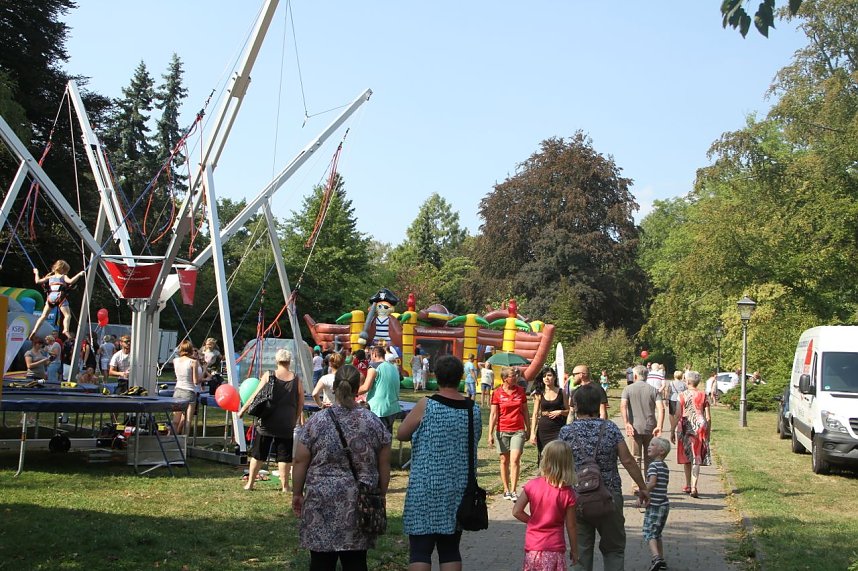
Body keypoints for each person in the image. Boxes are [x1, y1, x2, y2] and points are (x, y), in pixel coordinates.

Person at [292, 364, 391, 570]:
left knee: (320, 562)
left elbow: (300, 460)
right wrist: (381, 494)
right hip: (359, 501)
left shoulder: (316, 422)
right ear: (357, 389)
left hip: (320, 501)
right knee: (356, 562)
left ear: (334, 388)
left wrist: (297, 493)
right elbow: (384, 463)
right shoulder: (373, 422)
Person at [398, 355, 480, 571]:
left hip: (425, 487)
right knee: (450, 549)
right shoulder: (474, 409)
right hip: (459, 488)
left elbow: (402, 434)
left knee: (420, 550)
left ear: (436, 375)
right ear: (460, 377)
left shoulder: (427, 404)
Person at [559, 384, 650, 571]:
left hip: (577, 498)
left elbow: (556, 464)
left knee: (581, 552)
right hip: (609, 497)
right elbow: (628, 460)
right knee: (614, 550)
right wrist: (643, 487)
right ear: (596, 405)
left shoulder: (566, 432)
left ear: (576, 405)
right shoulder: (610, 429)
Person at [239, 348, 305, 492]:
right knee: (284, 457)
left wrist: (243, 410)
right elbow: (300, 402)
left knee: (258, 454)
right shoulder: (296, 379)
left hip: (267, 422)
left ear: (277, 361)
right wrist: (295, 419)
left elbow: (255, 395)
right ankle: (285, 486)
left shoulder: (269, 375)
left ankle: (250, 484)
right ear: (289, 362)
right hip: (286, 423)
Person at [513, 440, 579, 570]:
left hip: (533, 546)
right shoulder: (568, 493)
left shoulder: (532, 485)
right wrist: (574, 550)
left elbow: (516, 511)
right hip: (555, 546)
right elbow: (571, 526)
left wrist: (533, 522)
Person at [488, 366, 530, 501]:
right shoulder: (496, 393)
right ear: (505, 379)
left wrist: (528, 428)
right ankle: (506, 489)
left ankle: (513, 490)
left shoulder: (521, 391)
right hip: (502, 430)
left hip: (518, 430)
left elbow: (525, 411)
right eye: (513, 375)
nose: (516, 377)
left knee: (515, 459)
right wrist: (490, 433)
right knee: (504, 460)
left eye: (516, 375)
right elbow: (493, 414)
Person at [670, 370, 710, 498]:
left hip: (686, 425)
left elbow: (677, 414)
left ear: (687, 381)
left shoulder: (681, 395)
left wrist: (672, 430)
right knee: (696, 456)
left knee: (687, 455)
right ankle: (693, 486)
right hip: (700, 425)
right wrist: (708, 433)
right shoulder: (704, 395)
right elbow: (708, 417)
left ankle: (688, 484)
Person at [620, 364, 664, 473]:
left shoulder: (627, 389)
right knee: (650, 457)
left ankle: (637, 486)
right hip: (650, 427)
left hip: (634, 427)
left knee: (635, 458)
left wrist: (626, 423)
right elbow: (661, 408)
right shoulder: (654, 390)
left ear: (635, 376)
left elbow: (623, 405)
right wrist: (659, 426)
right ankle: (649, 483)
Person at [31, 260, 85, 338]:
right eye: (66, 271)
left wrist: (36, 273)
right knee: (67, 315)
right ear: (62, 270)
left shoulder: (50, 277)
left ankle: (34, 330)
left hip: (50, 298)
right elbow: (71, 281)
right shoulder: (63, 277)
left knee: (43, 316)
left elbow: (37, 281)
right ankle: (65, 330)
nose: (66, 273)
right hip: (60, 297)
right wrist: (79, 274)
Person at [641, 437, 671, 571]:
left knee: (649, 533)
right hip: (664, 505)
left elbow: (652, 483)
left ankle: (656, 558)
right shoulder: (664, 466)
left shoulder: (653, 466)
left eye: (652, 445)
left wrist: (642, 493)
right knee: (657, 533)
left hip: (655, 505)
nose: (649, 446)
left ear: (661, 451)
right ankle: (661, 561)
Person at [529, 367, 570, 463]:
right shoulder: (539, 393)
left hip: (558, 428)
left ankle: (558, 477)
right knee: (544, 456)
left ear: (554, 377)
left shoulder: (561, 392)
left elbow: (569, 410)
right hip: (544, 429)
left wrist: (560, 412)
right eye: (544, 376)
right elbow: (535, 414)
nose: (546, 378)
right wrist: (532, 433)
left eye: (549, 375)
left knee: (558, 456)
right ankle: (545, 477)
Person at [359, 346, 401, 432]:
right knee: (387, 439)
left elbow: (365, 387)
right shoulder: (393, 367)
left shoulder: (374, 367)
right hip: (393, 408)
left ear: (374, 354)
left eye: (370, 355)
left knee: (375, 439)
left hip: (378, 409)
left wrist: (351, 391)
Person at [171, 339, 202, 435]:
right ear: (190, 350)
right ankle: (184, 444)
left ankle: (171, 440)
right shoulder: (193, 362)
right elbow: (196, 381)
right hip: (189, 391)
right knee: (187, 420)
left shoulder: (175, 361)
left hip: (177, 390)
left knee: (175, 420)